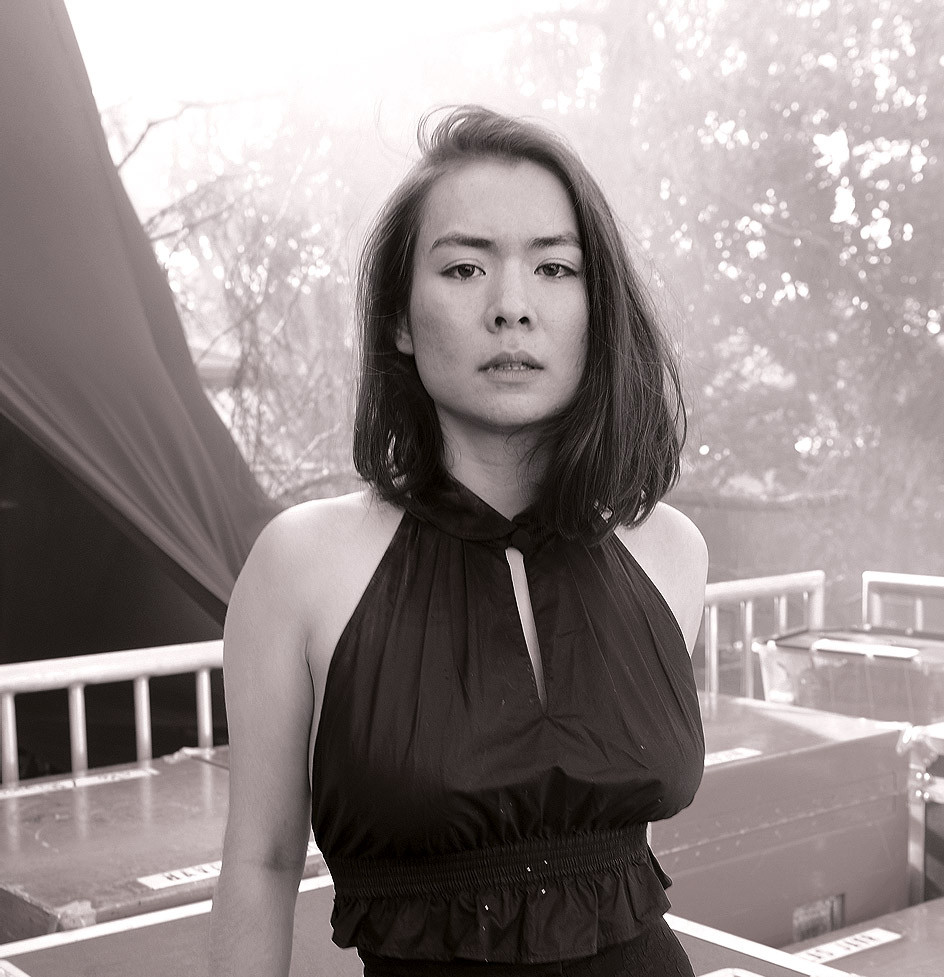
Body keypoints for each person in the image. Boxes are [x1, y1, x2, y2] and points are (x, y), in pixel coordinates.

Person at [209, 105, 708, 977]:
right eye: (466, 267)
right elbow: (262, 862)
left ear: (598, 309)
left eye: (555, 267)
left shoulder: (670, 549)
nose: (512, 307)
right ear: (399, 320)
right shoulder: (302, 565)